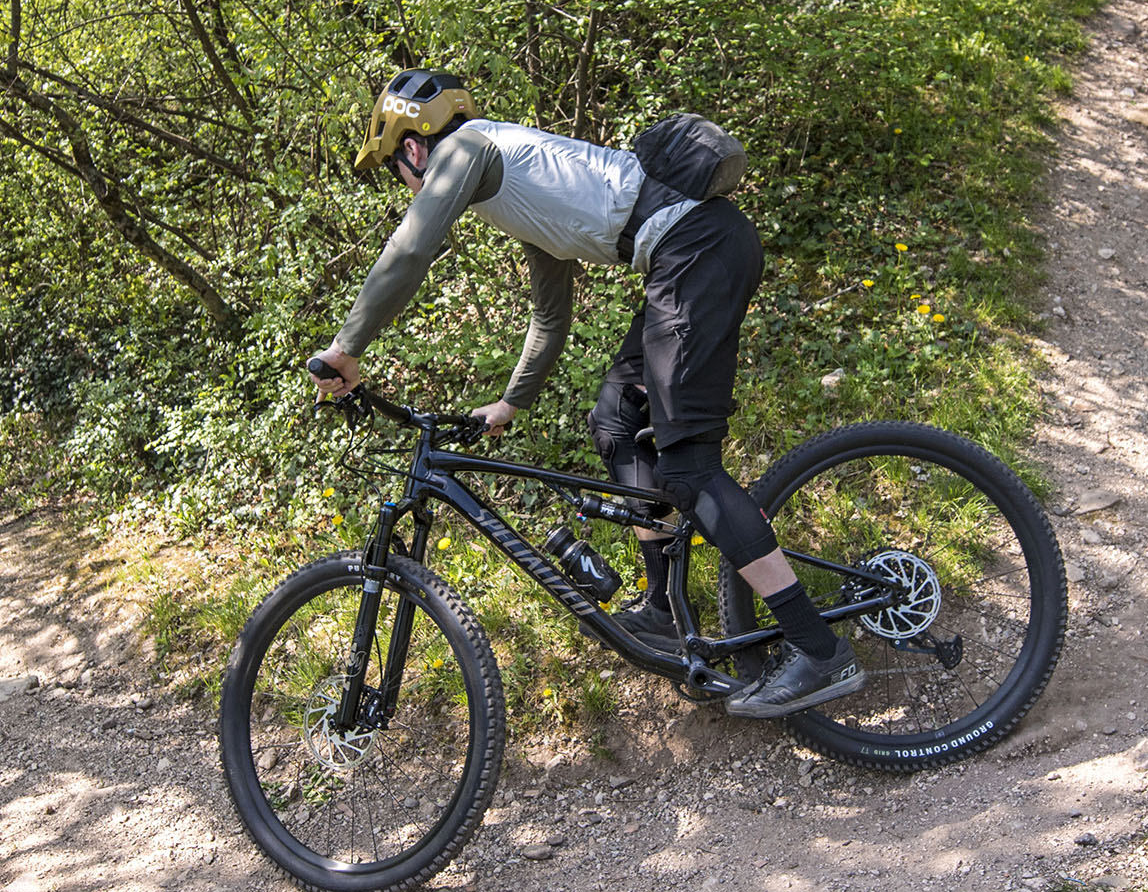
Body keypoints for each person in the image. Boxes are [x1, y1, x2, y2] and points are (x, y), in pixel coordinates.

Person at [311, 69, 864, 719]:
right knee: (617, 422)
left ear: (411, 148)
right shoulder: (514, 186)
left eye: (394, 168)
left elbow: (410, 251)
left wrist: (345, 349)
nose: (405, 186)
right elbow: (550, 318)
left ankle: (818, 649)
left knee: (688, 467)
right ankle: (661, 609)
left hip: (697, 251)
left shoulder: (468, 150)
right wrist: (511, 402)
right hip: (689, 256)